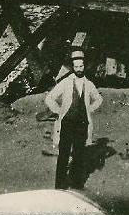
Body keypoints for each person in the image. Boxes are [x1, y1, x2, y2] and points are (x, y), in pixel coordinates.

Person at [44, 49, 103, 189]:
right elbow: (49, 98)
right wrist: (59, 111)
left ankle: (77, 183)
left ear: (85, 66)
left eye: (81, 66)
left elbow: (99, 99)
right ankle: (60, 184)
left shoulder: (88, 84)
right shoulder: (65, 82)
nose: (79, 70)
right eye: (76, 67)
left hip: (82, 123)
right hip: (67, 123)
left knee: (79, 153)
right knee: (64, 154)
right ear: (73, 67)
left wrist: (89, 109)